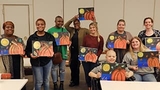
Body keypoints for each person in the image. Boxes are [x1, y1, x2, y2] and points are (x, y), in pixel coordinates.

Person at [25, 18, 57, 90]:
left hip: (47, 61)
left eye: (42, 24)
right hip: (36, 62)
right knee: (39, 81)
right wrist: (30, 55)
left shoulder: (49, 37)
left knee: (46, 81)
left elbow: (55, 47)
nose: (40, 26)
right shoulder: (32, 37)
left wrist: (53, 53)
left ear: (45, 25)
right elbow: (27, 50)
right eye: (38, 24)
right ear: (36, 26)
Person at [64, 15, 89, 87]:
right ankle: (73, 80)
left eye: (77, 23)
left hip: (80, 51)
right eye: (75, 23)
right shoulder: (72, 30)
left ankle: (77, 81)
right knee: (72, 66)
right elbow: (66, 25)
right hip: (72, 51)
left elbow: (93, 32)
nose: (76, 24)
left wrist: (94, 21)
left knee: (78, 67)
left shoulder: (84, 30)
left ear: (80, 23)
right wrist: (73, 18)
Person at [0, 21, 26, 90]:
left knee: (18, 80)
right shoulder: (1, 39)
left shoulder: (18, 39)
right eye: (7, 27)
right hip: (5, 64)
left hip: (17, 63)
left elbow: (24, 49)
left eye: (12, 27)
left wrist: (23, 52)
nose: (10, 29)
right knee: (8, 81)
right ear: (4, 28)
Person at [47, 16, 68, 90]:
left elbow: (67, 40)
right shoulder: (50, 31)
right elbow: (47, 42)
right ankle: (55, 84)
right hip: (54, 53)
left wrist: (69, 42)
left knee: (62, 69)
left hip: (63, 52)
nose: (60, 23)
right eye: (59, 21)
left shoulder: (65, 30)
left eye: (62, 21)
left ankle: (62, 83)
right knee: (54, 69)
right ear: (55, 21)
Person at [82, 22, 104, 90]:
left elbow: (101, 49)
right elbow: (83, 48)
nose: (92, 29)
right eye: (90, 28)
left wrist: (97, 56)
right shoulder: (86, 37)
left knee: (94, 72)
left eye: (93, 27)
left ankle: (94, 86)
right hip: (86, 59)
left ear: (96, 28)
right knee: (87, 72)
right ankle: (89, 86)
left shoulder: (100, 38)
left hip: (94, 59)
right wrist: (83, 56)